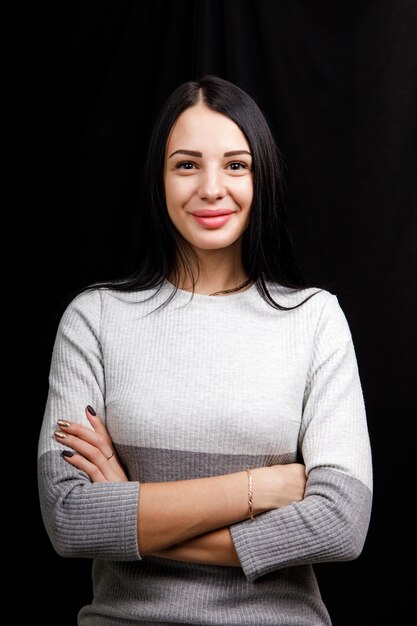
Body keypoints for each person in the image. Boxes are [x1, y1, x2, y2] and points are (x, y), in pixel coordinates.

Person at [37, 74, 373, 625]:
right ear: (159, 178)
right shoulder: (94, 319)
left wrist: (132, 506)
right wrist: (258, 488)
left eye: (235, 165)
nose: (211, 188)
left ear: (261, 177)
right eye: (187, 164)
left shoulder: (314, 320)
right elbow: (70, 518)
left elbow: (340, 525)